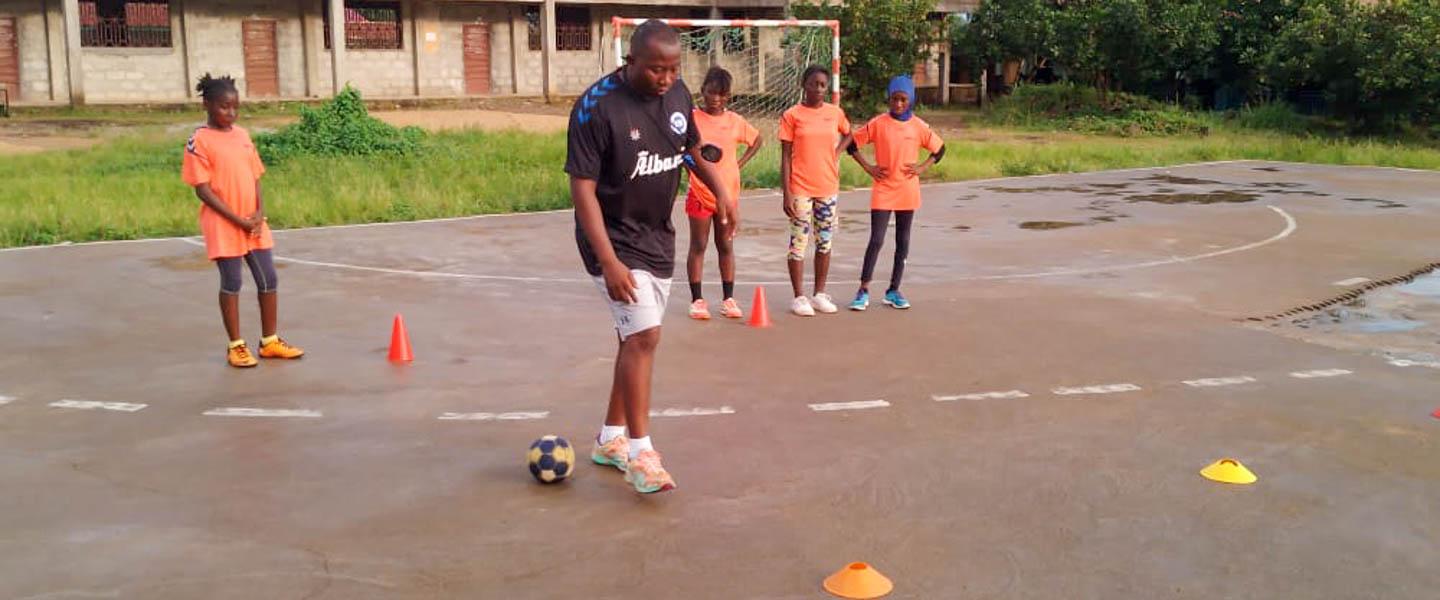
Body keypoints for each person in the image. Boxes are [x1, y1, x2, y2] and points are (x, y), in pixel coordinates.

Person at [564, 21, 735, 494]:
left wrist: (719, 189)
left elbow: (689, 147)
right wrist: (609, 262)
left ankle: (611, 438)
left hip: (657, 235)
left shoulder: (678, 93)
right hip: (612, 239)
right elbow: (582, 190)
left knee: (631, 340)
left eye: (673, 69)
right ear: (631, 61)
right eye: (656, 69)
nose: (665, 78)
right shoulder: (595, 108)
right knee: (644, 335)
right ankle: (641, 453)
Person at [181, 73, 304, 368]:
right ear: (208, 105)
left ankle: (270, 341)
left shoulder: (243, 136)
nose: (231, 113)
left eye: (235, 107)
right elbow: (203, 190)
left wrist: (259, 213)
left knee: (268, 278)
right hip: (225, 223)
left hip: (253, 223)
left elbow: (255, 176)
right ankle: (236, 346)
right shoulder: (198, 141)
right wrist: (237, 219)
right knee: (232, 281)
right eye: (224, 107)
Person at [846, 75, 946, 311]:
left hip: (907, 190)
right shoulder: (878, 123)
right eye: (894, 99)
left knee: (903, 241)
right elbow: (851, 143)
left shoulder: (919, 127)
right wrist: (868, 167)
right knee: (877, 239)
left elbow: (940, 149)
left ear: (910, 100)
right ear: (888, 99)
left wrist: (922, 167)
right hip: (883, 189)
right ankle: (863, 290)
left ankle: (893, 290)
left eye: (903, 100)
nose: (898, 104)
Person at [685, 66, 763, 321]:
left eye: (721, 94)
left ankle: (728, 298)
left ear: (728, 96)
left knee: (725, 246)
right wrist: (690, 167)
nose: (715, 99)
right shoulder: (692, 119)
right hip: (699, 193)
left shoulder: (734, 121)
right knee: (699, 245)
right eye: (711, 93)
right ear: (702, 92)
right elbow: (682, 149)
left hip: (728, 196)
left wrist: (738, 164)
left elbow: (758, 140)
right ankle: (697, 300)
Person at [778, 65, 853, 316]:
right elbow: (786, 156)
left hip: (827, 187)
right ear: (804, 85)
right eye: (814, 84)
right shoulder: (792, 115)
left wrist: (836, 152)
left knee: (825, 242)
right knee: (798, 243)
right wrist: (786, 191)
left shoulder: (835, 113)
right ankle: (799, 297)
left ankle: (820, 294)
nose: (819, 89)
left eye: (823, 85)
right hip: (800, 187)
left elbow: (849, 133)